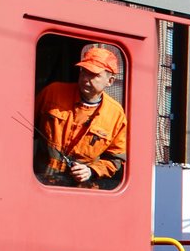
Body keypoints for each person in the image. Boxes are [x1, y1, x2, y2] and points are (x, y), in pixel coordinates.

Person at [34, 46, 128, 189]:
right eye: (83, 71)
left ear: (110, 81)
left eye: (94, 75)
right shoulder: (53, 93)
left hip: (80, 190)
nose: (85, 78)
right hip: (39, 182)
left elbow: (115, 159)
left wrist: (91, 171)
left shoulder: (115, 115)